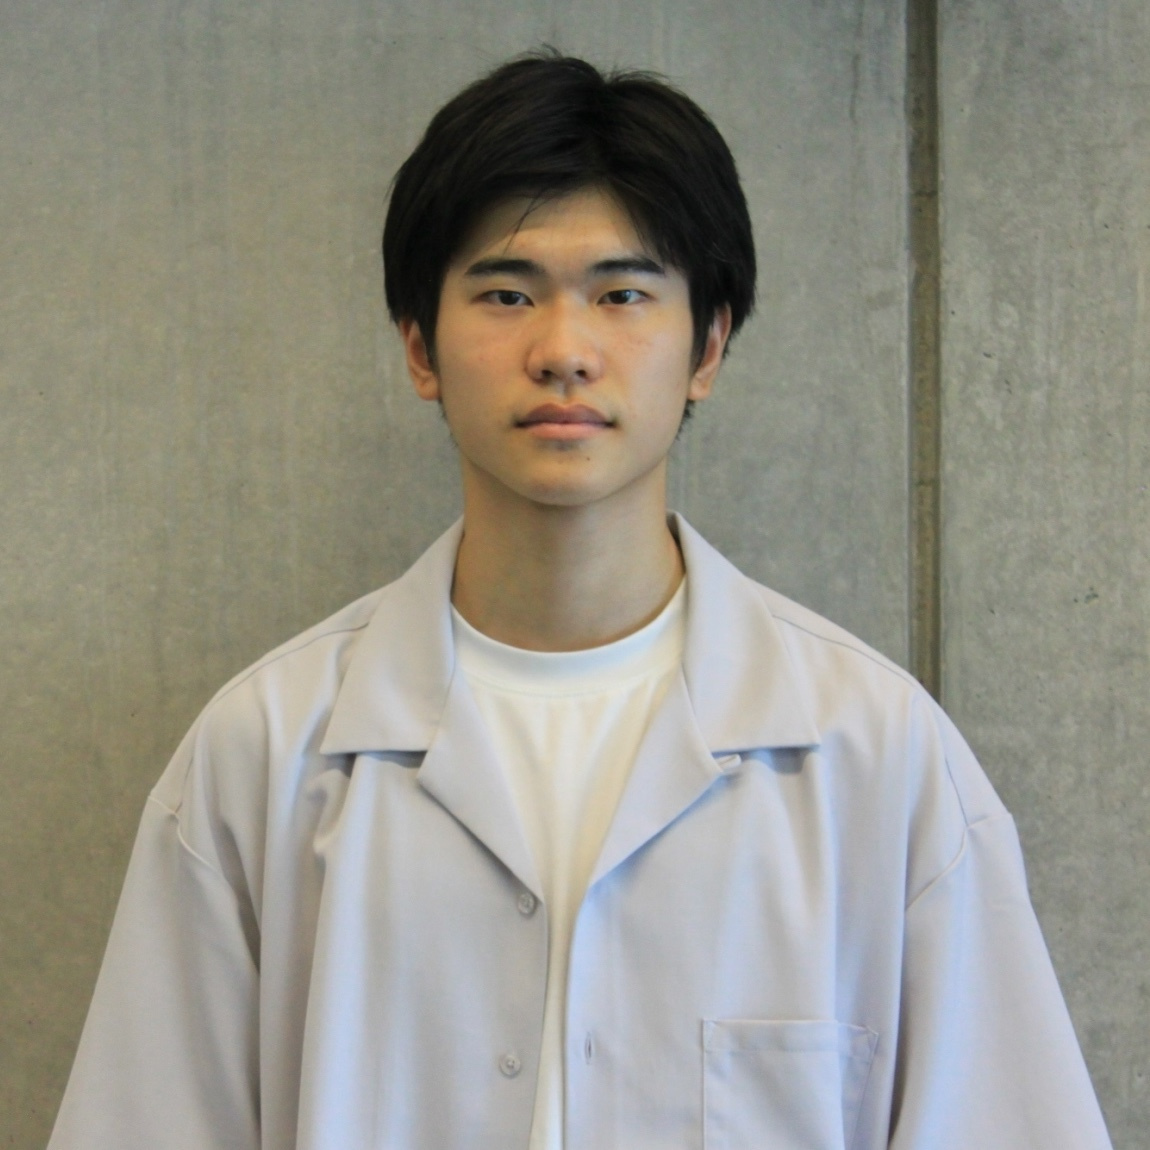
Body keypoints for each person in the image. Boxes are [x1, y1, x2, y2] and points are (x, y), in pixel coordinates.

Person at [49, 50, 1112, 1150]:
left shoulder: (878, 759)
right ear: (419, 347)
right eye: (506, 294)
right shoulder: (262, 755)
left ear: (708, 345)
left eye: (622, 295)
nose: (562, 351)